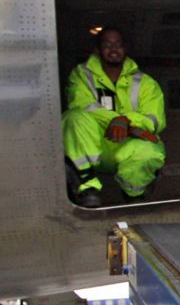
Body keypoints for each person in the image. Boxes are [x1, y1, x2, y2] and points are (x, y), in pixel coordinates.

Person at [62, 28, 166, 208]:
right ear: (97, 49)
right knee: (74, 118)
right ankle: (87, 189)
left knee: (151, 149)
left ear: (125, 49)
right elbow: (81, 104)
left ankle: (134, 195)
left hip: (127, 145)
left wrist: (126, 122)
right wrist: (118, 120)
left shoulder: (145, 82)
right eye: (107, 45)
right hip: (93, 144)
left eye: (118, 45)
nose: (113, 49)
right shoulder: (81, 75)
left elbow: (155, 119)